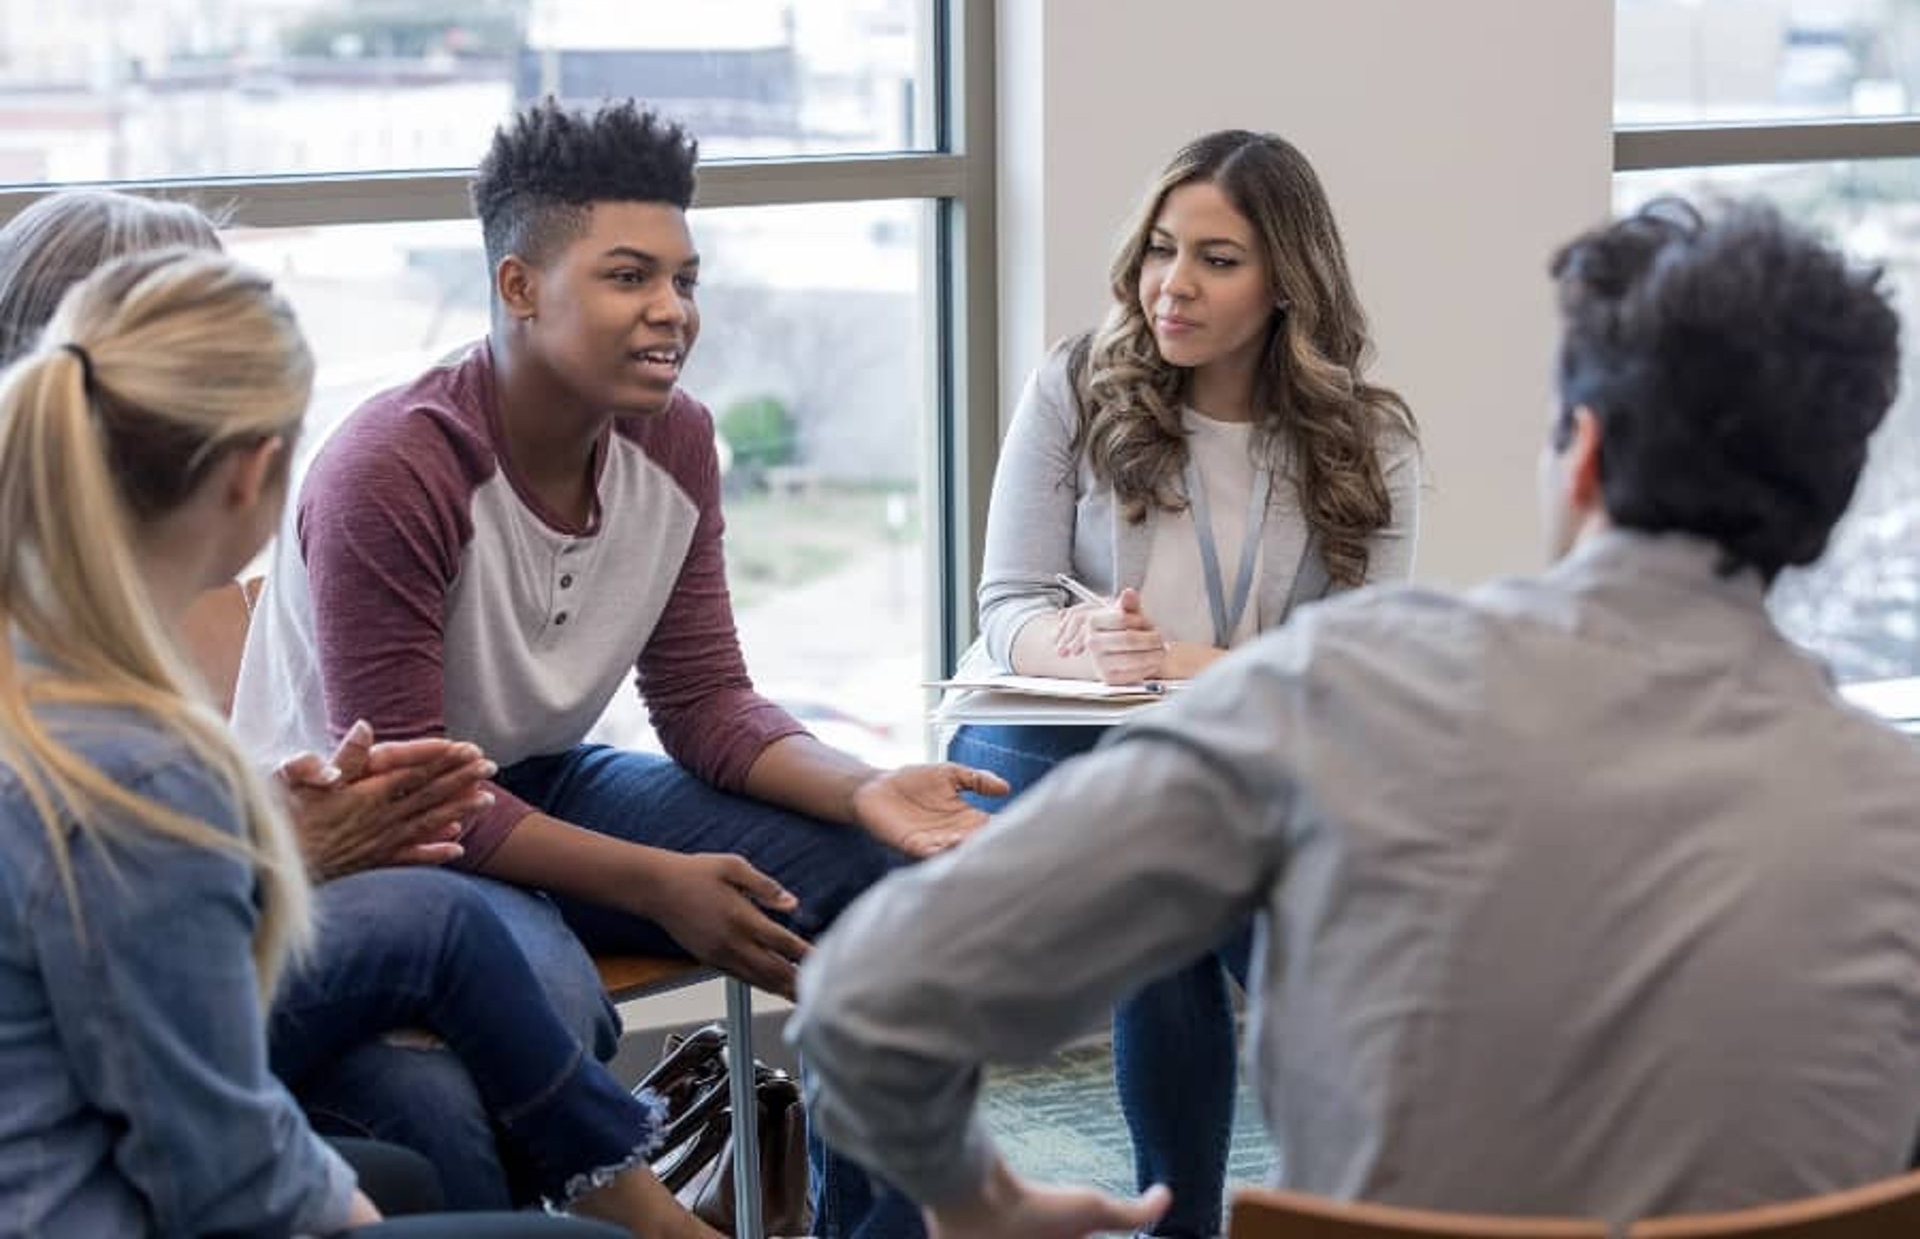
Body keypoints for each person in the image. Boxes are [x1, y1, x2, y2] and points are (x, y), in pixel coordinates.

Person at [792, 197, 1920, 1237]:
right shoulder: (1897, 812)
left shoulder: (1329, 694)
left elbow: (866, 1008)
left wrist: (979, 1195)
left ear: (1584, 454)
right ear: (1822, 509)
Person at [231, 97, 1008, 1236]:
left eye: (685, 279)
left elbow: (703, 703)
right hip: (363, 841)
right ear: (519, 286)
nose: (672, 311)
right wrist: (654, 881)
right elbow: (412, 803)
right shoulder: (393, 469)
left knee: (886, 883)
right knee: (534, 1008)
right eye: (629, 276)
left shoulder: (677, 439)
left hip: (541, 776)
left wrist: (862, 786)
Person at [0, 186, 658, 1215]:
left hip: (221, 937)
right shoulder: (89, 665)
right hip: (120, 1040)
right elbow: (127, 928)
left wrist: (304, 821)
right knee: (432, 1080)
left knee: (473, 986)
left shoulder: (177, 591)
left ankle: (620, 1208)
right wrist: (277, 844)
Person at [946, 128, 1419, 1238]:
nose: (1174, 283)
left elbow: (1352, 669)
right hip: (1050, 739)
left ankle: (1229, 1217)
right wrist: (1081, 646)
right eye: (1162, 248)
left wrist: (1180, 664)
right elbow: (1005, 605)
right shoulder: (1076, 381)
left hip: (1232, 754)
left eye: (1217, 257)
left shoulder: (1367, 440)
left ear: (1287, 281)